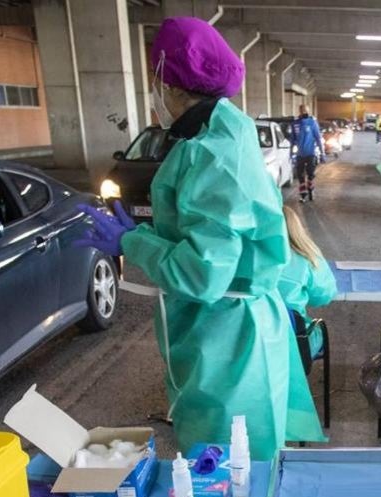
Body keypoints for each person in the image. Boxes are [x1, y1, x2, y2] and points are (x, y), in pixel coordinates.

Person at [77, 17, 324, 460]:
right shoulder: (225, 134)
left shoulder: (212, 154)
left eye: (156, 79)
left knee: (227, 471)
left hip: (227, 343)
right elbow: (210, 232)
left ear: (170, 83)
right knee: (244, 465)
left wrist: (133, 243)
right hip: (235, 330)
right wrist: (148, 233)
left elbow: (202, 274)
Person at [277, 206, 337, 360]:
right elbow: (323, 296)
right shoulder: (306, 258)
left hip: (251, 340)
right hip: (294, 340)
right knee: (314, 331)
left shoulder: (242, 257)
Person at [292, 104, 324, 203]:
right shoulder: (295, 124)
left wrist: (322, 153)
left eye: (305, 110)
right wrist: (291, 152)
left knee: (310, 174)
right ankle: (303, 194)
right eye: (302, 110)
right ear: (299, 111)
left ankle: (311, 190)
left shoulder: (312, 123)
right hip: (300, 154)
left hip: (310, 153)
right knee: (300, 175)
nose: (304, 112)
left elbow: (318, 138)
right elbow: (293, 139)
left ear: (308, 111)